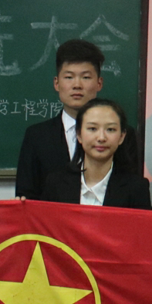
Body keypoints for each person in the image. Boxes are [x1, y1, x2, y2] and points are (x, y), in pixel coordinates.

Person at [15, 39, 103, 199]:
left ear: (99, 83)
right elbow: (25, 196)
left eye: (85, 77)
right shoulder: (36, 136)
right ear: (56, 83)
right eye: (69, 77)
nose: (77, 85)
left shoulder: (120, 135)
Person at [38, 98, 150, 208]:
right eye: (92, 129)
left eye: (110, 129)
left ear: (121, 136)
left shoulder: (137, 188)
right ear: (79, 134)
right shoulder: (56, 183)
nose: (101, 138)